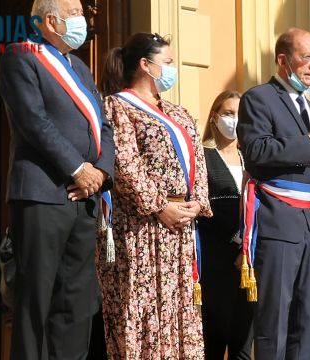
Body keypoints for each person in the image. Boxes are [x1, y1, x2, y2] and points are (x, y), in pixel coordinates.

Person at [0, 0, 115, 358]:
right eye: (76, 13)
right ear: (50, 21)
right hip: (43, 194)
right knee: (37, 300)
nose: (84, 19)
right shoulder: (21, 57)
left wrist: (101, 172)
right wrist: (78, 169)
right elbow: (33, 121)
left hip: (85, 197)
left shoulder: (80, 67)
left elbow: (104, 126)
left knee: (76, 301)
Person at [97, 33, 212, 359]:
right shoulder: (119, 106)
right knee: (144, 307)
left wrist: (196, 202)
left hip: (181, 229)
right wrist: (160, 207)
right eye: (169, 62)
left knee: (180, 312)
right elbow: (126, 164)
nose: (174, 68)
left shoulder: (179, 112)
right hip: (142, 230)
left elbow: (198, 160)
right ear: (146, 65)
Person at [236, 27, 310, 359]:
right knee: (275, 321)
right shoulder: (259, 98)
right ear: (283, 60)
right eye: (305, 57)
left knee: (309, 321)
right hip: (277, 219)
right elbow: (256, 151)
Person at [198, 90, 253, 360]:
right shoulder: (201, 155)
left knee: (242, 342)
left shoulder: (252, 158)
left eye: (240, 115)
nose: (234, 120)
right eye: (229, 113)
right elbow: (201, 204)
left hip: (250, 261)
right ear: (214, 116)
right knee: (214, 339)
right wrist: (235, 240)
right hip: (216, 257)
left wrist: (247, 245)